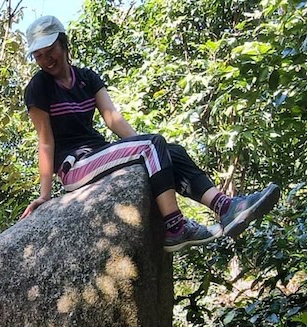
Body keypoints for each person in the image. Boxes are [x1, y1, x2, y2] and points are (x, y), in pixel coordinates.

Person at [20, 15, 279, 253]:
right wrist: (45, 194)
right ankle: (175, 227)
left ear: (64, 44)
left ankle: (224, 206)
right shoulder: (39, 86)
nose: (46, 59)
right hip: (74, 166)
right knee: (152, 145)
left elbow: (112, 118)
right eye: (39, 55)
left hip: (98, 153)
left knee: (167, 149)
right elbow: (45, 141)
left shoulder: (87, 78)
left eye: (50, 50)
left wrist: (141, 144)